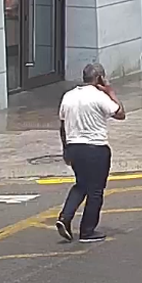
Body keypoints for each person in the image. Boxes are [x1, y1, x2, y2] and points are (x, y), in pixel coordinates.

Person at [55, 63, 126, 244]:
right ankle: (87, 230)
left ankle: (65, 217)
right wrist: (110, 91)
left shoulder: (68, 96)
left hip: (74, 147)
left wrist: (66, 150)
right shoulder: (99, 96)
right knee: (95, 190)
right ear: (99, 78)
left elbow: (62, 126)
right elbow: (120, 114)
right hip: (96, 149)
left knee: (81, 185)